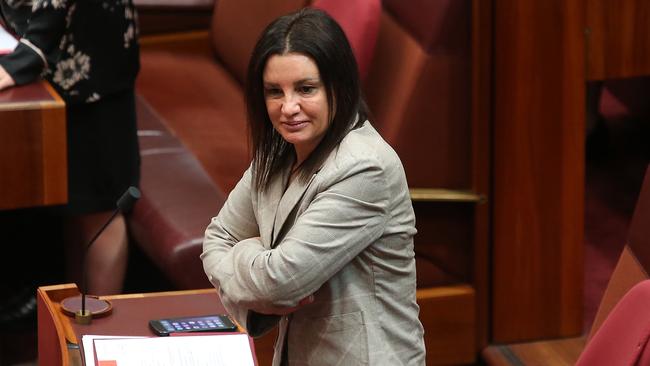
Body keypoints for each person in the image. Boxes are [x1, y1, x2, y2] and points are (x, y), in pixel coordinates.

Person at [201, 7, 425, 365]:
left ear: (338, 85)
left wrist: (245, 255)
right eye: (275, 91)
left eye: (306, 89)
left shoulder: (364, 168)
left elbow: (279, 281)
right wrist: (263, 261)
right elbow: (216, 239)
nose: (288, 107)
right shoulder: (277, 152)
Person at [0, 0, 140, 295]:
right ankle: (72, 319)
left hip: (89, 70)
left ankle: (100, 332)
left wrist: (28, 55)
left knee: (100, 210)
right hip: (36, 51)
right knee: (76, 207)